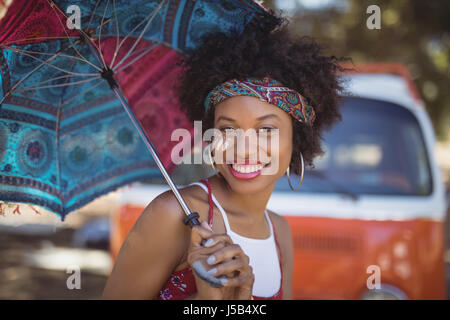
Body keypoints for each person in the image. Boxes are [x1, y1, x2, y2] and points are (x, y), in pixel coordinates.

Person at [102, 11, 348, 300]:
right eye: (227, 130)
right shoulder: (173, 215)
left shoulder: (280, 232)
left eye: (266, 129)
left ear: (298, 139)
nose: (243, 149)